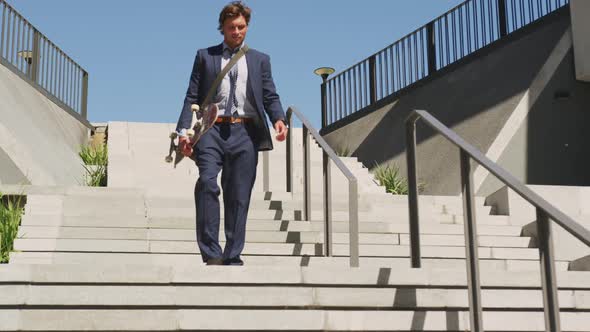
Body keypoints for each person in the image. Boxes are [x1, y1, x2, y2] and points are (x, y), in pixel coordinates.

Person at [175, 1, 288, 266]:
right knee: (207, 182)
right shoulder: (206, 56)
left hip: (245, 132)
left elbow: (270, 94)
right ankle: (211, 252)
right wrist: (182, 131)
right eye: (231, 27)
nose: (237, 32)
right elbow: (191, 96)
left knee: (239, 195)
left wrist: (279, 119)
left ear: (247, 27)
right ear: (222, 29)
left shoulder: (260, 60)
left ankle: (233, 253)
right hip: (211, 129)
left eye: (241, 27)